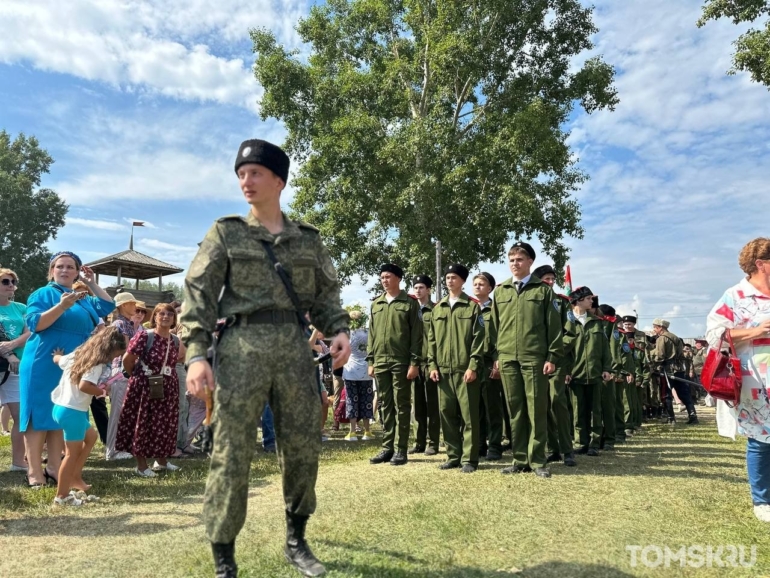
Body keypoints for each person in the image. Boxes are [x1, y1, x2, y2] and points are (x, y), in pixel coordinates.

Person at [181, 138, 351, 578]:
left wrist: (340, 331)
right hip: (240, 348)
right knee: (231, 452)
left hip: (295, 350)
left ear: (278, 180)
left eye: (255, 173)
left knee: (302, 446)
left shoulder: (308, 240)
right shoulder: (227, 232)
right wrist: (197, 354)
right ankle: (225, 558)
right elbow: (198, 293)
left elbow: (326, 297)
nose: (245, 181)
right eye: (241, 174)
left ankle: (297, 540)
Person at [19, 252, 115, 489]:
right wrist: (61, 307)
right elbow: (35, 324)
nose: (64, 270)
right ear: (51, 270)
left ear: (77, 271)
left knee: (57, 414)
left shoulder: (82, 297)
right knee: (37, 415)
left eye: (70, 267)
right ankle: (34, 471)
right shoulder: (43, 293)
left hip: (70, 365)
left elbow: (108, 305)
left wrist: (91, 282)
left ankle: (54, 467)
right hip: (43, 361)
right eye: (59, 266)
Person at [705, 237, 770, 522]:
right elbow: (714, 336)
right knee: (761, 439)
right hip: (754, 381)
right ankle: (762, 500)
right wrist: (753, 331)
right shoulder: (735, 296)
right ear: (761, 264)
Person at [490, 242, 563, 478]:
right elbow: (494, 328)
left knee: (536, 410)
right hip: (508, 358)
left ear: (530, 262)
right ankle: (519, 458)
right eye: (511, 260)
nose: (515, 264)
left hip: (534, 358)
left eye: (519, 259)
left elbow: (554, 328)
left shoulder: (543, 291)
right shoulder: (501, 291)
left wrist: (552, 356)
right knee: (515, 410)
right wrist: (497, 356)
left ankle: (538, 460)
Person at [51, 327, 126, 506]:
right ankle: (62, 497)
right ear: (109, 349)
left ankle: (75, 477)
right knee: (71, 454)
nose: (115, 358)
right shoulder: (97, 364)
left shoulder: (79, 354)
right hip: (73, 412)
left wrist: (57, 355)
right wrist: (102, 391)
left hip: (61, 407)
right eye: (116, 354)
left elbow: (58, 360)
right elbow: (85, 386)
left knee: (91, 437)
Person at [429, 264, 485, 473]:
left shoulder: (472, 307)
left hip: (465, 370)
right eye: (447, 277)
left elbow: (479, 339)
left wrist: (473, 366)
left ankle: (469, 459)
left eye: (454, 277)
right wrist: (432, 365)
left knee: (469, 415)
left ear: (462, 281)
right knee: (446, 413)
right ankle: (453, 456)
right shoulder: (438, 308)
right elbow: (431, 340)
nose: (450, 281)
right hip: (443, 370)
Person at [116, 302, 182, 477]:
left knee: (165, 423)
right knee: (143, 423)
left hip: (167, 387)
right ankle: (141, 466)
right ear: (155, 317)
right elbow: (127, 360)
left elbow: (178, 360)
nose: (166, 317)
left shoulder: (175, 340)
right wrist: (139, 377)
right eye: (161, 314)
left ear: (174, 318)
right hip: (145, 386)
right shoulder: (145, 336)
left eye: (170, 314)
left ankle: (161, 461)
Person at [367, 263, 422, 466]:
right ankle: (387, 447)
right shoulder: (376, 304)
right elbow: (372, 334)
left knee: (402, 405)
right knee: (385, 405)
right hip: (380, 362)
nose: (384, 280)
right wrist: (371, 360)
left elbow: (417, 336)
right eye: (382, 277)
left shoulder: (409, 303)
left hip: (401, 361)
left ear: (398, 278)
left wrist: (415, 362)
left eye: (388, 277)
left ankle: (401, 449)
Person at [531, 264, 574, 466]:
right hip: (533, 361)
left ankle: (567, 450)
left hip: (556, 363)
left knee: (557, 402)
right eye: (545, 279)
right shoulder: (529, 300)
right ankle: (553, 449)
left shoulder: (562, 303)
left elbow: (570, 334)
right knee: (540, 406)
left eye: (552, 279)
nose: (549, 282)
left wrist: (554, 355)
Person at [563, 287, 612, 456]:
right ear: (578, 300)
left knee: (595, 411)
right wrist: (565, 370)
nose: (592, 301)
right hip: (575, 374)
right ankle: (580, 442)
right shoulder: (566, 321)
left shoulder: (597, 322)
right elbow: (563, 350)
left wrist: (607, 368)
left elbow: (605, 348)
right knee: (578, 411)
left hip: (595, 373)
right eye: (589, 298)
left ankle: (594, 443)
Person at [0, 268, 31, 472]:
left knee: (20, 416)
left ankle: (18, 462)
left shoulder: (21, 307)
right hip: (7, 363)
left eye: (13, 281)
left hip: (15, 368)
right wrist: (7, 354)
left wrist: (13, 346)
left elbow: (31, 331)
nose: (11, 284)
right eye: (5, 281)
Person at [472, 271, 504, 461]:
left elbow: (501, 336)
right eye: (475, 283)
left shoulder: (496, 309)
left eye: (482, 284)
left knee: (492, 407)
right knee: (475, 408)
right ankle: (479, 444)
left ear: (490, 288)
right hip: (473, 363)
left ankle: (494, 445)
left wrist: (498, 361)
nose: (477, 286)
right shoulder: (468, 308)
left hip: (490, 363)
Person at [105, 291, 139, 461]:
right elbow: (127, 349)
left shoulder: (125, 323)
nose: (135, 306)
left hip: (122, 371)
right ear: (124, 305)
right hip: (120, 372)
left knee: (122, 411)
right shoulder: (120, 323)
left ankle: (119, 447)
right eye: (132, 303)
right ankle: (112, 451)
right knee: (117, 413)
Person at [409, 275, 440, 455]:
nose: (418, 291)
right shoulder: (411, 310)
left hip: (431, 363)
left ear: (428, 290)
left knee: (432, 405)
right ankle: (418, 441)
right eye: (416, 288)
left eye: (421, 287)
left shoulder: (435, 310)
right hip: (415, 363)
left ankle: (433, 442)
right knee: (418, 405)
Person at [651, 319, 698, 425]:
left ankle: (670, 418)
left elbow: (660, 355)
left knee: (666, 394)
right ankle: (693, 416)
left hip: (668, 369)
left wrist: (652, 365)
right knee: (684, 393)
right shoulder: (675, 337)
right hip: (679, 369)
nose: (654, 329)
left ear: (660, 327)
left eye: (655, 327)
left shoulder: (662, 339)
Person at [342, 310, 374, 441]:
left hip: (350, 370)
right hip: (366, 370)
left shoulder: (347, 334)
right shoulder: (368, 334)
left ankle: (353, 432)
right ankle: (367, 431)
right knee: (366, 400)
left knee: (351, 400)